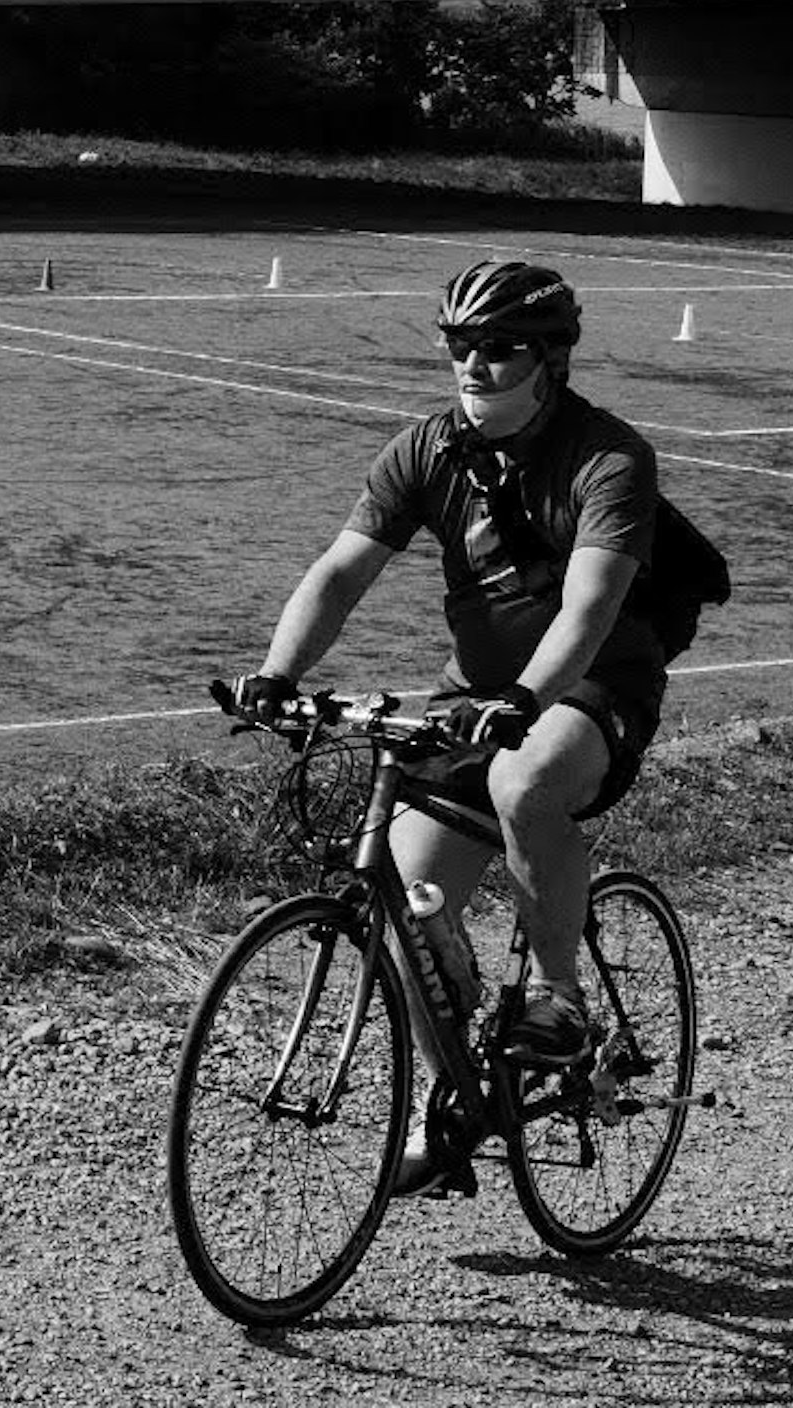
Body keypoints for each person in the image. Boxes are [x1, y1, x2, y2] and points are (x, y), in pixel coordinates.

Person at [227, 260, 673, 1198]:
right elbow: (341, 572)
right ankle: (459, 1102)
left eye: (500, 347)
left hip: (595, 690)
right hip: (472, 696)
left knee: (525, 781)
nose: (474, 363)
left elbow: (590, 607)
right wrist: (278, 675)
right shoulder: (425, 450)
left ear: (549, 360)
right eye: (458, 344)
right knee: (405, 906)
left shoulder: (608, 459)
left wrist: (527, 700)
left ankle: (558, 998)